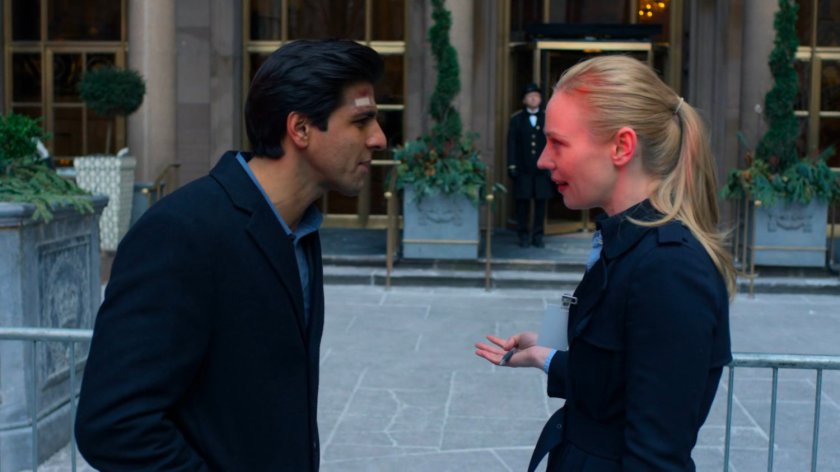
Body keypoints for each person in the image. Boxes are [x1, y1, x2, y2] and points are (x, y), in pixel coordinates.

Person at [75, 39, 386, 471]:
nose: (379, 139)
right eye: (362, 121)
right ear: (300, 129)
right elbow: (113, 425)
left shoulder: (301, 229)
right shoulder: (180, 232)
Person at [476, 55, 735, 471]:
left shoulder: (670, 267)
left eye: (558, 142)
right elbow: (617, 381)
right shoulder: (628, 244)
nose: (543, 160)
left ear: (621, 146)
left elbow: (655, 457)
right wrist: (546, 355)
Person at [507, 82, 554, 248]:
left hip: (542, 170)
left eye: (537, 96)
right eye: (530, 96)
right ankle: (523, 235)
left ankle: (538, 236)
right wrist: (512, 166)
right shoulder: (517, 119)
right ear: (524, 100)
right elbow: (512, 144)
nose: (534, 98)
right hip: (523, 169)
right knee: (523, 204)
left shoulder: (547, 117)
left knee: (541, 204)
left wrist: (553, 165)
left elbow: (552, 143)